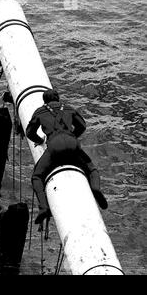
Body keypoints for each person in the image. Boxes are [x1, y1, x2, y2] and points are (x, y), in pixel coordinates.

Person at [26, 89, 108, 224]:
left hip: (54, 145)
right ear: (58, 98)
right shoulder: (68, 108)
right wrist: (72, 136)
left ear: (44, 100)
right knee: (91, 168)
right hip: (72, 142)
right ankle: (95, 189)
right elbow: (82, 126)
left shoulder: (40, 112)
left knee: (37, 176)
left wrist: (40, 140)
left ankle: (44, 208)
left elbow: (30, 132)